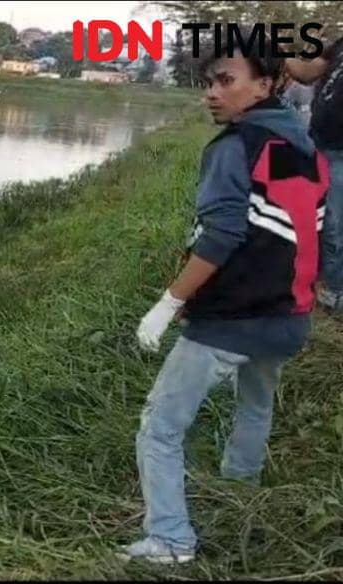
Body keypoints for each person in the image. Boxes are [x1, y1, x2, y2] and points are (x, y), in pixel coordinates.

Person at [120, 44, 329, 564]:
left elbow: (220, 236)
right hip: (290, 318)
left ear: (266, 86)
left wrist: (168, 303)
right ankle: (241, 489)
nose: (212, 93)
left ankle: (169, 540)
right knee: (254, 403)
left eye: (226, 80)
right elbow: (321, 235)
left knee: (160, 428)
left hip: (232, 320)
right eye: (208, 82)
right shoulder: (307, 149)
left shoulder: (235, 147)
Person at [286, 35, 343, 311]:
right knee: (305, 213)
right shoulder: (339, 43)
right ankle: (308, 278)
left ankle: (333, 293)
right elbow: (306, 73)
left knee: (334, 224)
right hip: (317, 144)